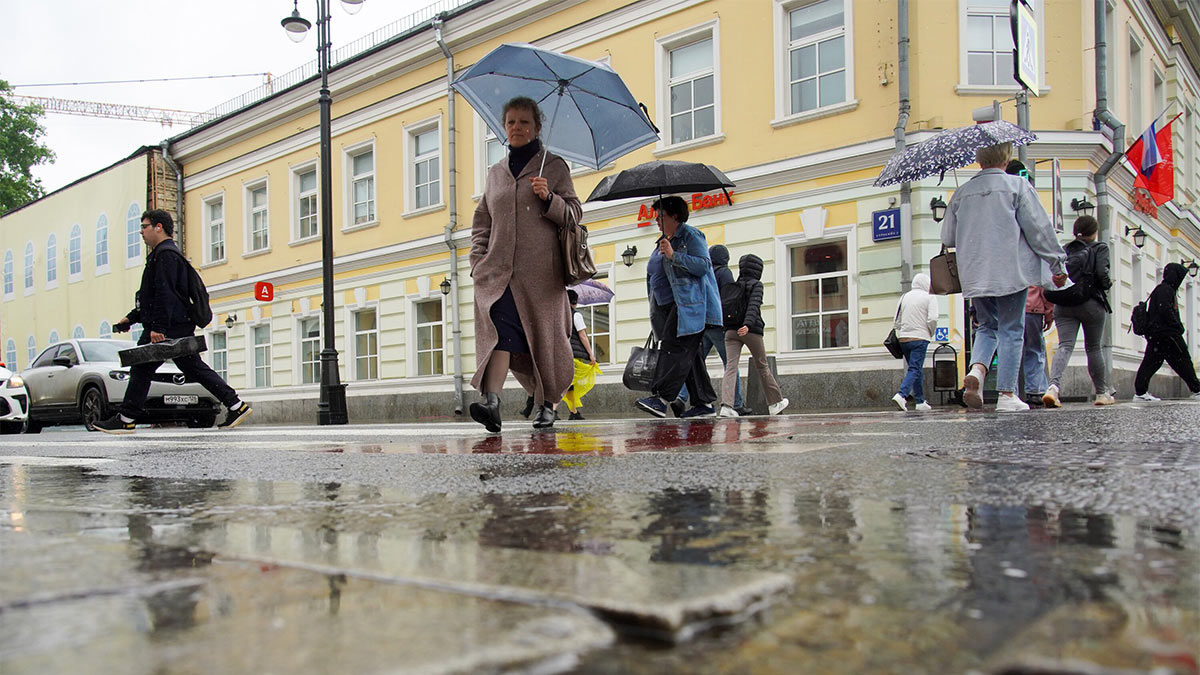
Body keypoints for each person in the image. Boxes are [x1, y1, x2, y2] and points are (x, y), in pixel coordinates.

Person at [469, 96, 582, 432]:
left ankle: (548, 403)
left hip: (541, 276)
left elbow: (574, 215)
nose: (516, 128)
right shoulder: (496, 173)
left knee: (546, 341)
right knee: (499, 332)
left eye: (523, 122)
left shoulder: (555, 167)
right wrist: (477, 260)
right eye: (511, 122)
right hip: (499, 272)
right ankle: (492, 403)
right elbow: (482, 221)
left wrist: (551, 199)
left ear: (536, 127)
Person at [94, 210, 251, 434]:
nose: (141, 231)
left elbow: (165, 293)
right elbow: (153, 295)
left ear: (159, 227)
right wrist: (132, 317)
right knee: (192, 367)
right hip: (172, 324)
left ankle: (126, 418)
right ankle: (236, 405)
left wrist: (158, 327)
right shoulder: (162, 254)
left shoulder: (166, 255)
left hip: (167, 326)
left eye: (144, 226)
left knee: (142, 368)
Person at [941, 142, 1067, 412]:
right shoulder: (1018, 187)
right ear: (1007, 158)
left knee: (987, 326)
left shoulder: (961, 193)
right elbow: (1039, 230)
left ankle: (977, 369)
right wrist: (1057, 265)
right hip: (1010, 270)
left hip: (974, 272)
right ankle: (1007, 394)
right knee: (1011, 329)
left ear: (978, 159)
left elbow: (948, 237)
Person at [636, 196, 721, 418]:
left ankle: (661, 399)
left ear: (675, 216)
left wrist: (675, 256)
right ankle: (704, 404)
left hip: (690, 306)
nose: (656, 220)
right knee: (690, 356)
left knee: (674, 349)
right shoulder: (663, 241)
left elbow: (703, 265)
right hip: (668, 308)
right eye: (655, 216)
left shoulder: (691, 236)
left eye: (660, 216)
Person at [1043, 215, 1116, 407]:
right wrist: (1107, 284)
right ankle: (1101, 394)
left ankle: (1053, 388)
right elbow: (1102, 273)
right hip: (1090, 303)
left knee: (1065, 346)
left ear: (1075, 232)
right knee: (1093, 348)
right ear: (1094, 232)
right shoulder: (1099, 247)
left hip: (1064, 303)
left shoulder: (1064, 250)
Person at [676, 244, 747, 416]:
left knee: (696, 364)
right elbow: (731, 298)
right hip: (719, 323)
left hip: (703, 323)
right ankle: (735, 403)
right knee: (730, 364)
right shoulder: (724, 273)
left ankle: (681, 397)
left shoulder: (704, 272)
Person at [717, 254, 789, 417]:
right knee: (762, 366)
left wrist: (729, 327)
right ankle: (775, 404)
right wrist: (747, 325)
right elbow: (754, 306)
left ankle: (726, 407)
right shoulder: (756, 285)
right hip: (750, 331)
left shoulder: (733, 286)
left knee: (730, 367)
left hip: (730, 332)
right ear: (758, 269)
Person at [1132, 262, 1200, 401]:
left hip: (1156, 334)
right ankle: (1197, 389)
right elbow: (1165, 310)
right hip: (1167, 334)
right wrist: (1178, 326)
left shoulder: (1161, 289)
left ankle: (1140, 392)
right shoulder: (1166, 290)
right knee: (1183, 360)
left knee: (1151, 363)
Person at [889, 272, 939, 412]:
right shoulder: (929, 297)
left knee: (915, 368)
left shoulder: (904, 297)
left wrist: (904, 330)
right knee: (915, 369)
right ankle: (902, 395)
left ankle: (920, 401)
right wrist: (930, 332)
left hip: (904, 339)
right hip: (920, 338)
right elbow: (933, 319)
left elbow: (896, 322)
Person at [563, 289, 598, 420]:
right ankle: (552, 410)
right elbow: (582, 335)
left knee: (569, 384)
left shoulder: (558, 315)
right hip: (573, 355)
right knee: (566, 383)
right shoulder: (576, 315)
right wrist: (591, 354)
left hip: (560, 353)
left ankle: (574, 412)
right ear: (575, 302)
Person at [1021, 286, 1054, 406]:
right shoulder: (1035, 266)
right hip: (1033, 309)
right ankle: (1034, 391)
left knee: (1011, 350)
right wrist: (1049, 312)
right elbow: (1045, 286)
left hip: (1011, 307)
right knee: (1034, 350)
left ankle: (1009, 391)